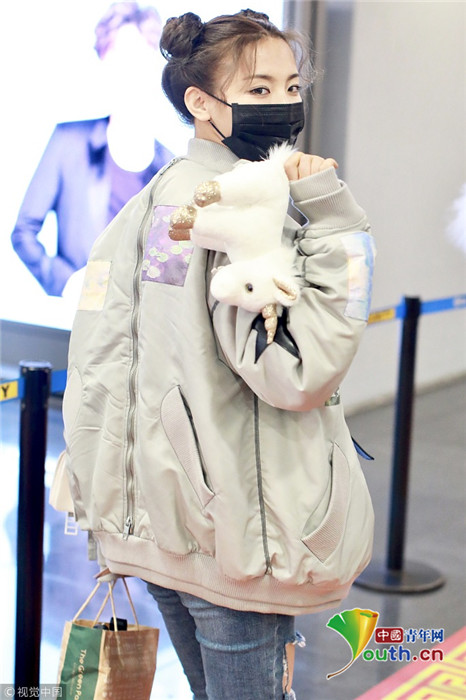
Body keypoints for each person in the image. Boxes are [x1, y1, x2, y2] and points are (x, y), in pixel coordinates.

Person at [60, 9, 375, 699]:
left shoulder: (156, 199)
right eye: (259, 89)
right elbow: (298, 370)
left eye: (290, 86)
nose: (283, 103)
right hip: (236, 531)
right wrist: (336, 220)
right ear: (200, 102)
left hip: (163, 527)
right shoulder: (245, 208)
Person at [11, 2, 173, 297]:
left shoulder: (171, 166)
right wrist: (69, 283)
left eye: (138, 54)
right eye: (116, 55)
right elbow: (24, 232)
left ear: (156, 64)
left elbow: (172, 266)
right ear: (103, 63)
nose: (127, 68)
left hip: (141, 320)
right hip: (82, 315)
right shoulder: (68, 142)